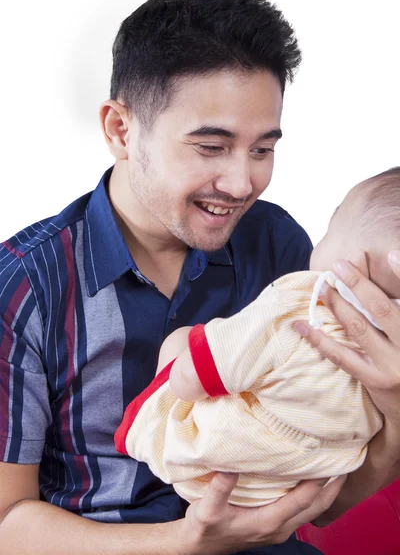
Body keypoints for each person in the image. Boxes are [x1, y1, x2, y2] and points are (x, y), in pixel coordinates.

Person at [0, 0, 399, 555]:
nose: (242, 185)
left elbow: (324, 477)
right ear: (120, 129)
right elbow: (6, 519)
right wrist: (187, 542)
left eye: (262, 149)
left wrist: (395, 408)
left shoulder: (275, 242)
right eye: (211, 147)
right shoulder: (23, 286)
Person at [115, 168, 400, 507]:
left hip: (204, 474)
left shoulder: (291, 304)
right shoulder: (390, 349)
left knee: (184, 340)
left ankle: (143, 425)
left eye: (329, 231)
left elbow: (193, 379)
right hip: (294, 490)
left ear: (352, 265)